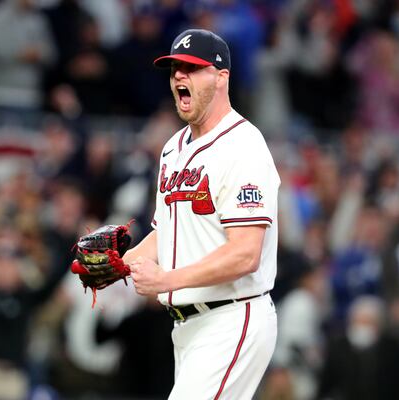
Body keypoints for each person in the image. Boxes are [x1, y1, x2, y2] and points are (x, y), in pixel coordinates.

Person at [123, 29, 280, 399]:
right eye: (176, 67)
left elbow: (246, 254)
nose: (180, 75)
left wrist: (167, 280)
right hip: (188, 326)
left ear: (221, 77)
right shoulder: (172, 148)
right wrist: (119, 265)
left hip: (232, 317)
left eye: (193, 68)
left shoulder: (243, 146)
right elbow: (168, 233)